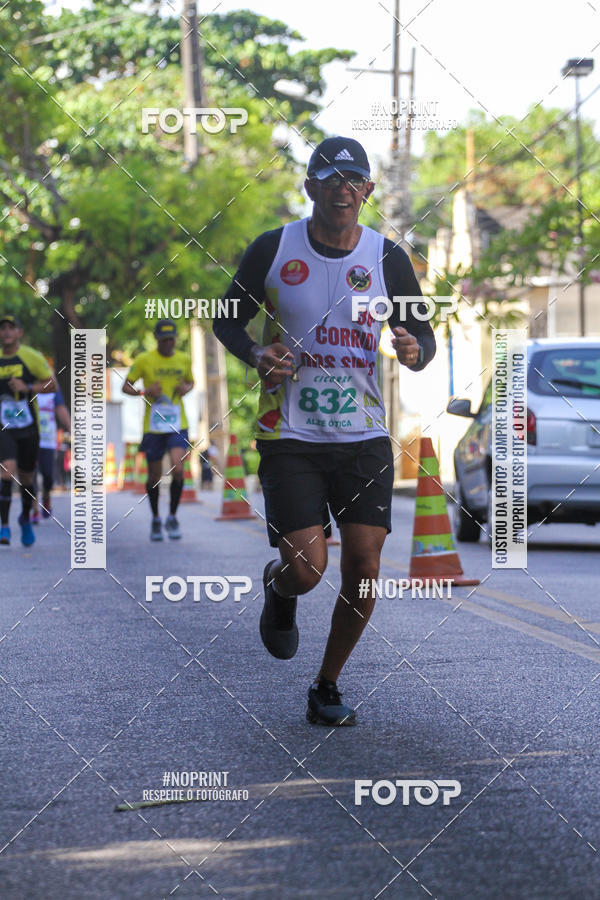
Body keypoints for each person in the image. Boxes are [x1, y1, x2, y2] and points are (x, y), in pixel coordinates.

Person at [214, 136, 436, 726]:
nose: (343, 186)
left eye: (354, 179)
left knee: (364, 567)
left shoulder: (387, 258)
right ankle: (279, 589)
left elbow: (424, 339)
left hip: (363, 436)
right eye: (330, 176)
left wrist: (414, 350)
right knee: (308, 569)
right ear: (310, 186)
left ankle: (327, 684)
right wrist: (258, 352)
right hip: (290, 435)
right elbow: (226, 320)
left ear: (366, 192)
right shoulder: (273, 248)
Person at [122, 319, 194, 541]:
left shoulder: (184, 358)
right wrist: (145, 392)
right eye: (164, 340)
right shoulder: (144, 359)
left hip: (177, 423)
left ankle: (172, 516)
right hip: (153, 425)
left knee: (178, 468)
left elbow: (191, 382)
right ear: (157, 339)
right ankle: (155, 518)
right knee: (154, 475)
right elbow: (126, 386)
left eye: (171, 338)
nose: (168, 343)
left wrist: (186, 388)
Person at [0, 314, 56, 546]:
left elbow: (52, 384)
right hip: (4, 426)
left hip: (28, 426)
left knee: (27, 477)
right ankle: (4, 527)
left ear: (19, 333)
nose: (6, 332)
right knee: (6, 471)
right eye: (2, 328)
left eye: (11, 328)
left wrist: (28, 386)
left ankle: (24, 518)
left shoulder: (31, 357)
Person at [31, 386, 71, 523]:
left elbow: (61, 409)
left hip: (47, 439)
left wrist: (71, 428)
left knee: (48, 476)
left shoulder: (53, 389)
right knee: (30, 475)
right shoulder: (27, 385)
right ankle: (35, 510)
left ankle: (46, 496)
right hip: (29, 438)